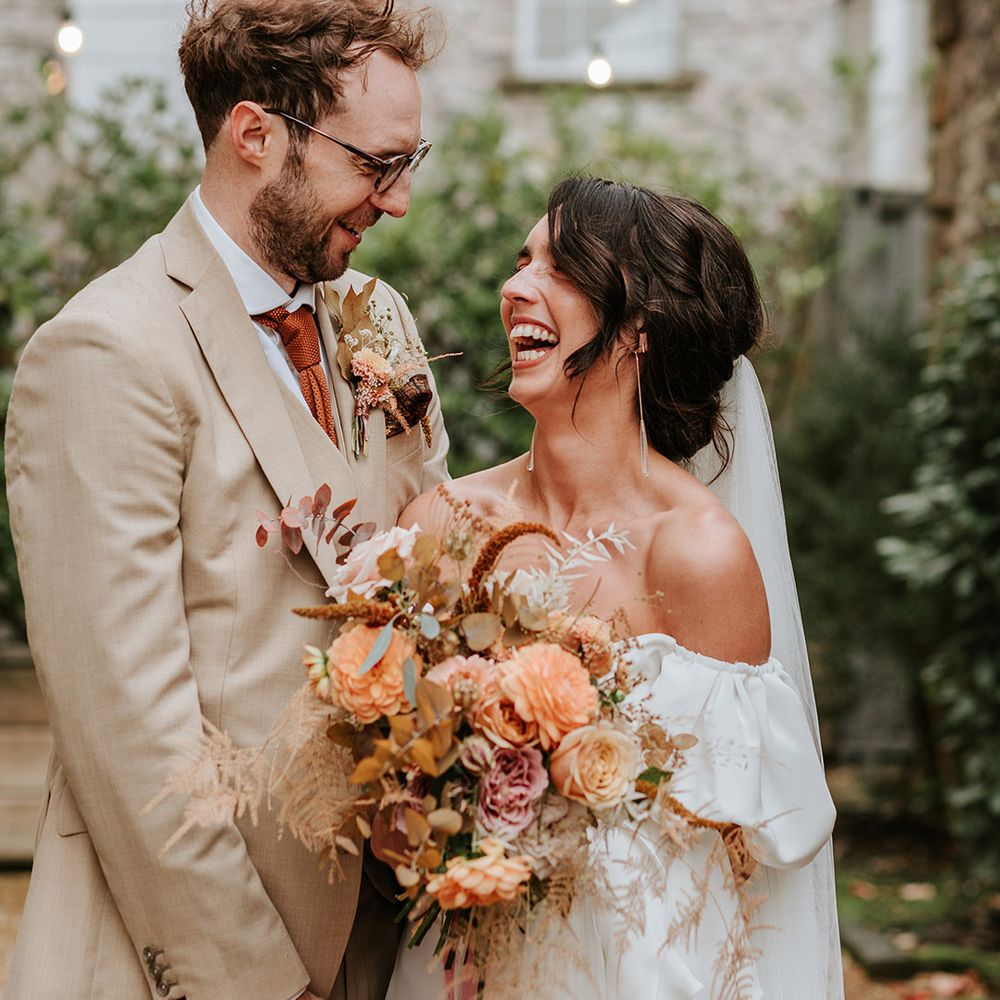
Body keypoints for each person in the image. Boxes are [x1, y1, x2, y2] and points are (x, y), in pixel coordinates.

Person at [3, 2, 447, 998]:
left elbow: (433, 574)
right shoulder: (107, 352)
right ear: (255, 134)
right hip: (186, 958)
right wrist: (257, 983)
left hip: (387, 941)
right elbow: (129, 736)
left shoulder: (379, 320)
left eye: (411, 159)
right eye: (377, 163)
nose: (402, 198)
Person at [389, 177, 842, 998]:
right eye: (521, 260)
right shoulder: (440, 523)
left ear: (638, 328)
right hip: (455, 964)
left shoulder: (697, 555)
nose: (515, 286)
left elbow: (730, 867)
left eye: (558, 268)